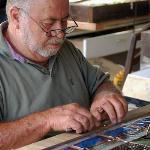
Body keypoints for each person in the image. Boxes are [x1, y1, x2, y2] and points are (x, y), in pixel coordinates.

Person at [0, 0, 128, 149]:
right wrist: (46, 120)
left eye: (64, 20)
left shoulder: (66, 49)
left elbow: (100, 84)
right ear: (16, 17)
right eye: (49, 23)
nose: (60, 34)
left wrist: (105, 95)